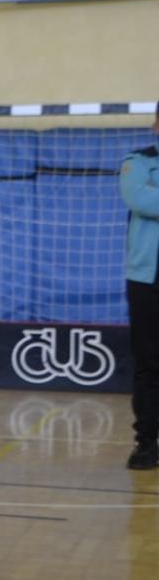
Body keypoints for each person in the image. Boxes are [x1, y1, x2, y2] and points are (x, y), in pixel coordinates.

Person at [122, 110, 159, 469]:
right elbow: (141, 200)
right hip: (147, 282)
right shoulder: (138, 162)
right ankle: (147, 443)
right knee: (149, 365)